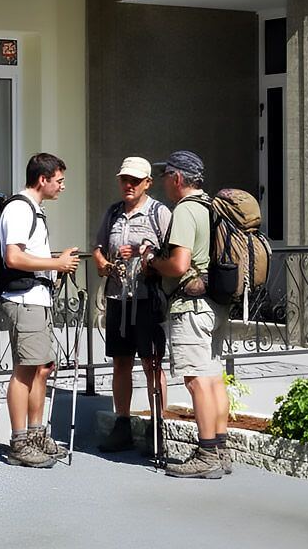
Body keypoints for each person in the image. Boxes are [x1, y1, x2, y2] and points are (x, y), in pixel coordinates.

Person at [143, 150, 231, 478]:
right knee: (213, 378)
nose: (164, 181)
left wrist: (152, 263)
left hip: (191, 307)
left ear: (178, 178)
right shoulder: (212, 207)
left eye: (166, 175)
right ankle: (221, 450)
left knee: (196, 381)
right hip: (217, 304)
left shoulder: (185, 211)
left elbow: (179, 264)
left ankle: (206, 453)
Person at [1, 153, 81, 468]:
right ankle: (19, 443)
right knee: (24, 370)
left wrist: (56, 266)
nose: (63, 186)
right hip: (24, 301)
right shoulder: (20, 209)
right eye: (59, 180)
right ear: (42, 179)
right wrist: (56, 263)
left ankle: (35, 436)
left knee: (42, 367)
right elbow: (13, 258)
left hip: (37, 298)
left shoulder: (34, 209)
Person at [92, 156, 171, 453]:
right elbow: (98, 249)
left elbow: (172, 255)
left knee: (152, 363)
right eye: (125, 179)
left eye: (135, 181)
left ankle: (157, 426)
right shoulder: (113, 213)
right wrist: (104, 263)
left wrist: (146, 256)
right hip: (117, 298)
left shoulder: (159, 213)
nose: (128, 185)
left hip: (147, 298)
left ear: (148, 183)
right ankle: (122, 424)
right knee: (120, 363)